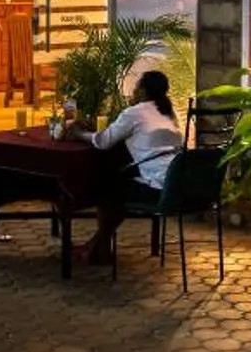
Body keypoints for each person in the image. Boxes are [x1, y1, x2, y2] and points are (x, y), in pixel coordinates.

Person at [76, 69, 184, 265]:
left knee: (107, 190)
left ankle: (99, 248)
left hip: (158, 189)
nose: (133, 91)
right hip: (176, 184)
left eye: (136, 86)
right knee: (118, 184)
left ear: (142, 91)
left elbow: (103, 141)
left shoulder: (134, 113)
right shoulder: (169, 112)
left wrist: (78, 133)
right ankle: (96, 245)